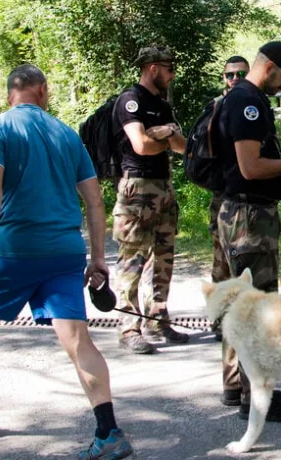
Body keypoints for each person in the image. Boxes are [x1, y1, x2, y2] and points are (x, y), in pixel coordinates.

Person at [0, 65, 133, 460]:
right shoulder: (66, 133)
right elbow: (95, 200)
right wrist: (98, 258)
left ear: (9, 93)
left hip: (11, 251)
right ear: (43, 91)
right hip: (64, 252)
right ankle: (108, 432)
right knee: (79, 339)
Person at [216, 40, 281, 421]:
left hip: (241, 213)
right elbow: (250, 167)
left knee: (238, 304)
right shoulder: (248, 102)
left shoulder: (242, 98)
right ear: (270, 66)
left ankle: (234, 386)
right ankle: (257, 398)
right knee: (255, 309)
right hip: (249, 217)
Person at [110, 46, 189, 354]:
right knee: (132, 259)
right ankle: (129, 326)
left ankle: (157, 319)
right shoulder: (131, 101)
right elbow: (140, 145)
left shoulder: (162, 105)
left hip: (163, 188)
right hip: (137, 189)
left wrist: (166, 133)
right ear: (153, 68)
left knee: (163, 260)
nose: (172, 74)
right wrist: (162, 139)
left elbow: (181, 147)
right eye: (169, 68)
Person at [208, 55, 249, 406]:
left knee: (235, 285)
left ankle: (234, 380)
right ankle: (235, 380)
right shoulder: (217, 108)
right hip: (225, 202)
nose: (234, 78)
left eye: (241, 73)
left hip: (239, 201)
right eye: (229, 74)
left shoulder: (246, 103)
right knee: (227, 282)